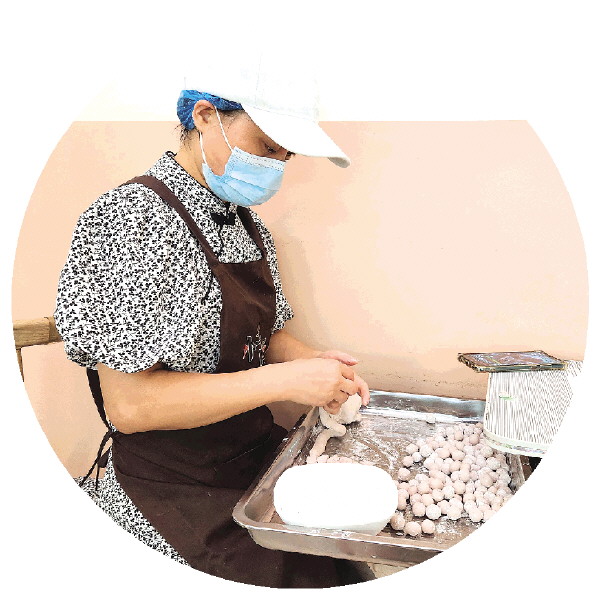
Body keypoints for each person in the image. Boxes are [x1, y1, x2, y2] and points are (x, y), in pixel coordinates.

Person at [54, 63, 373, 587]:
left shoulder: (245, 222)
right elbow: (130, 407)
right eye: (266, 146)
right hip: (170, 486)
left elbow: (264, 335)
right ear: (205, 116)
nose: (276, 166)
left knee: (340, 559)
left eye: (285, 156)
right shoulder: (130, 221)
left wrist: (312, 364)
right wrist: (284, 381)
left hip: (248, 459)